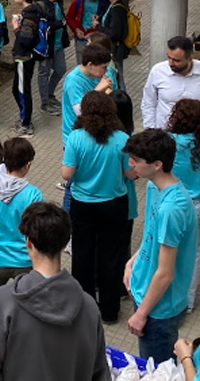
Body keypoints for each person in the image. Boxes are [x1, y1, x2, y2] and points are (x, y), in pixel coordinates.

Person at [0, 202, 110, 381]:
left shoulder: (4, 302)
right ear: (64, 244)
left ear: (28, 242)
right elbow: (100, 373)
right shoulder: (89, 306)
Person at [123, 129, 199, 363]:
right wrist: (132, 262)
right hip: (144, 289)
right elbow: (150, 236)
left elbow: (165, 273)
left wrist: (141, 314)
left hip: (159, 308)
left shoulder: (172, 208)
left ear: (157, 164)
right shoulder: (153, 187)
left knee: (158, 371)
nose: (130, 163)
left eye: (136, 160)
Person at [60, 91, 134, 323]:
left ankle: (85, 309)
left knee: (82, 256)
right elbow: (131, 174)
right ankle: (110, 312)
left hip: (83, 205)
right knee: (111, 257)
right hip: (114, 204)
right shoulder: (122, 138)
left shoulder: (76, 138)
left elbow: (66, 173)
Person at [163, 98, 200, 312]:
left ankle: (166, 295)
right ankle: (186, 303)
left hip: (174, 204)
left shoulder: (169, 142)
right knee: (191, 253)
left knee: (167, 249)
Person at [0, 137, 42, 294]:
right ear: (27, 165)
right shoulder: (33, 195)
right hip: (24, 261)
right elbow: (37, 233)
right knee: (28, 306)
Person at [141, 36, 200, 130]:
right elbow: (148, 103)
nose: (171, 63)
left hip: (197, 135)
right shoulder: (158, 71)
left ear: (190, 58)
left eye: (176, 60)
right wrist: (150, 129)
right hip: (165, 134)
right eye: (169, 57)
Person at [10, 0, 44, 136]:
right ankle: (24, 117)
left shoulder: (30, 16)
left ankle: (26, 123)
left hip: (25, 58)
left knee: (22, 91)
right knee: (16, 89)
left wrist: (16, 27)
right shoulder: (31, 12)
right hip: (21, 58)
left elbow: (25, 40)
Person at [37, 0, 69, 116]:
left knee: (61, 69)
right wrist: (59, 24)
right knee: (44, 73)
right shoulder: (42, 6)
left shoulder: (58, 3)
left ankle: (49, 94)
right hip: (46, 46)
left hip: (58, 44)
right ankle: (45, 102)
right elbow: (43, 25)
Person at [96, 0, 130, 90]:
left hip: (115, 49)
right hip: (111, 48)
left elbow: (114, 33)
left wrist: (98, 27)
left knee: (118, 77)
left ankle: (121, 100)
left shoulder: (117, 9)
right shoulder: (112, 5)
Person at [65, 0, 107, 68]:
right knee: (82, 66)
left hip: (97, 39)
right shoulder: (77, 2)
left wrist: (96, 31)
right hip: (82, 38)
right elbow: (70, 18)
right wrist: (76, 29)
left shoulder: (103, 2)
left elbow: (107, 20)